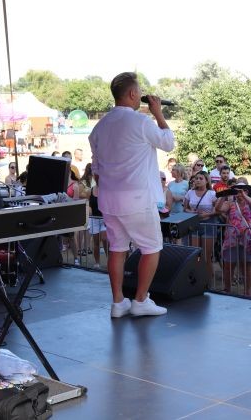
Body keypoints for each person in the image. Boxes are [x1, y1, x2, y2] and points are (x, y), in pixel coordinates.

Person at [89, 72, 174, 318]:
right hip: (138, 199)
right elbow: (168, 143)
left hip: (109, 199)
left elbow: (96, 169)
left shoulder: (99, 127)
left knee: (117, 249)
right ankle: (140, 300)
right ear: (133, 93)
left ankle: (118, 302)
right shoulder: (141, 121)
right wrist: (158, 113)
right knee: (151, 248)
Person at [218, 186, 251, 294]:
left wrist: (244, 195)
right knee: (228, 265)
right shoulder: (230, 203)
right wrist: (223, 196)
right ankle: (227, 289)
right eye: (237, 190)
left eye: (243, 190)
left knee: (247, 266)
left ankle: (247, 291)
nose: (239, 192)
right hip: (231, 239)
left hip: (247, 239)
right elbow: (218, 209)